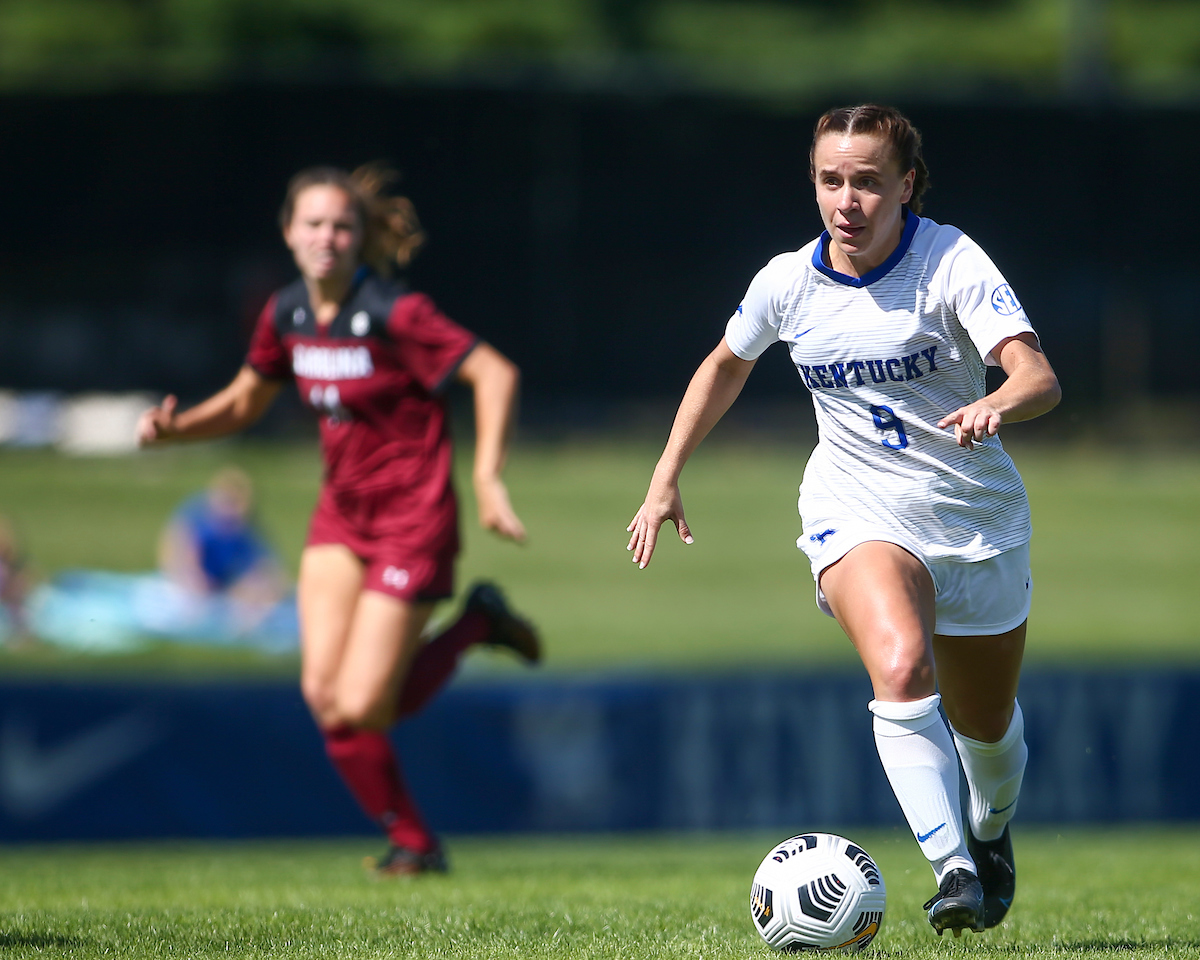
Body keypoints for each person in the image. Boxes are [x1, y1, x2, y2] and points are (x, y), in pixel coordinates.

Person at [627, 105, 1060, 936]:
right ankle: (954, 870)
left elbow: (1038, 377)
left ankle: (991, 829)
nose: (848, 200)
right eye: (832, 180)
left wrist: (996, 403)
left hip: (976, 522)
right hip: (856, 507)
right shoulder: (788, 282)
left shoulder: (950, 260)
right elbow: (724, 366)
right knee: (900, 669)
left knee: (988, 729)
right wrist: (665, 475)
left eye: (867, 182)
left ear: (906, 186)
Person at [137, 163, 540, 875]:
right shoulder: (286, 312)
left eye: (342, 225)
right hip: (342, 518)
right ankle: (415, 845)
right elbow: (243, 401)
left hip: (413, 521)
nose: (327, 237)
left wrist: (486, 477)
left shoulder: (394, 312)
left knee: (363, 705)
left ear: (360, 238)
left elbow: (495, 373)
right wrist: (179, 430)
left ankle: (478, 622)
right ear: (289, 233)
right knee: (325, 697)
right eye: (314, 224)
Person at [159, 466, 287, 619]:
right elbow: (179, 551)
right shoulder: (198, 519)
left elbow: (266, 568)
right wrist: (193, 581)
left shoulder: (244, 530)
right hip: (192, 582)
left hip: (221, 584)